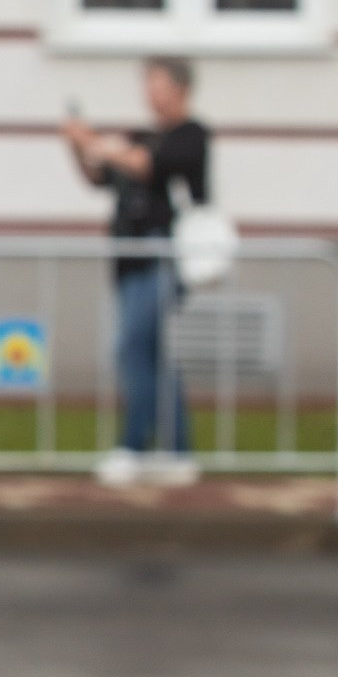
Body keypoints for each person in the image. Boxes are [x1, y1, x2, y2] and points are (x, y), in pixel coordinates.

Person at [64, 55, 210, 488]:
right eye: (147, 83)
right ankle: (179, 452)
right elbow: (100, 177)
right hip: (129, 262)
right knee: (154, 356)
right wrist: (78, 145)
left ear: (180, 89)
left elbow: (148, 164)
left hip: (164, 260)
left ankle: (133, 446)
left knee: (132, 349)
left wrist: (99, 143)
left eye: (157, 83)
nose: (149, 92)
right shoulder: (140, 138)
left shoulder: (190, 136)